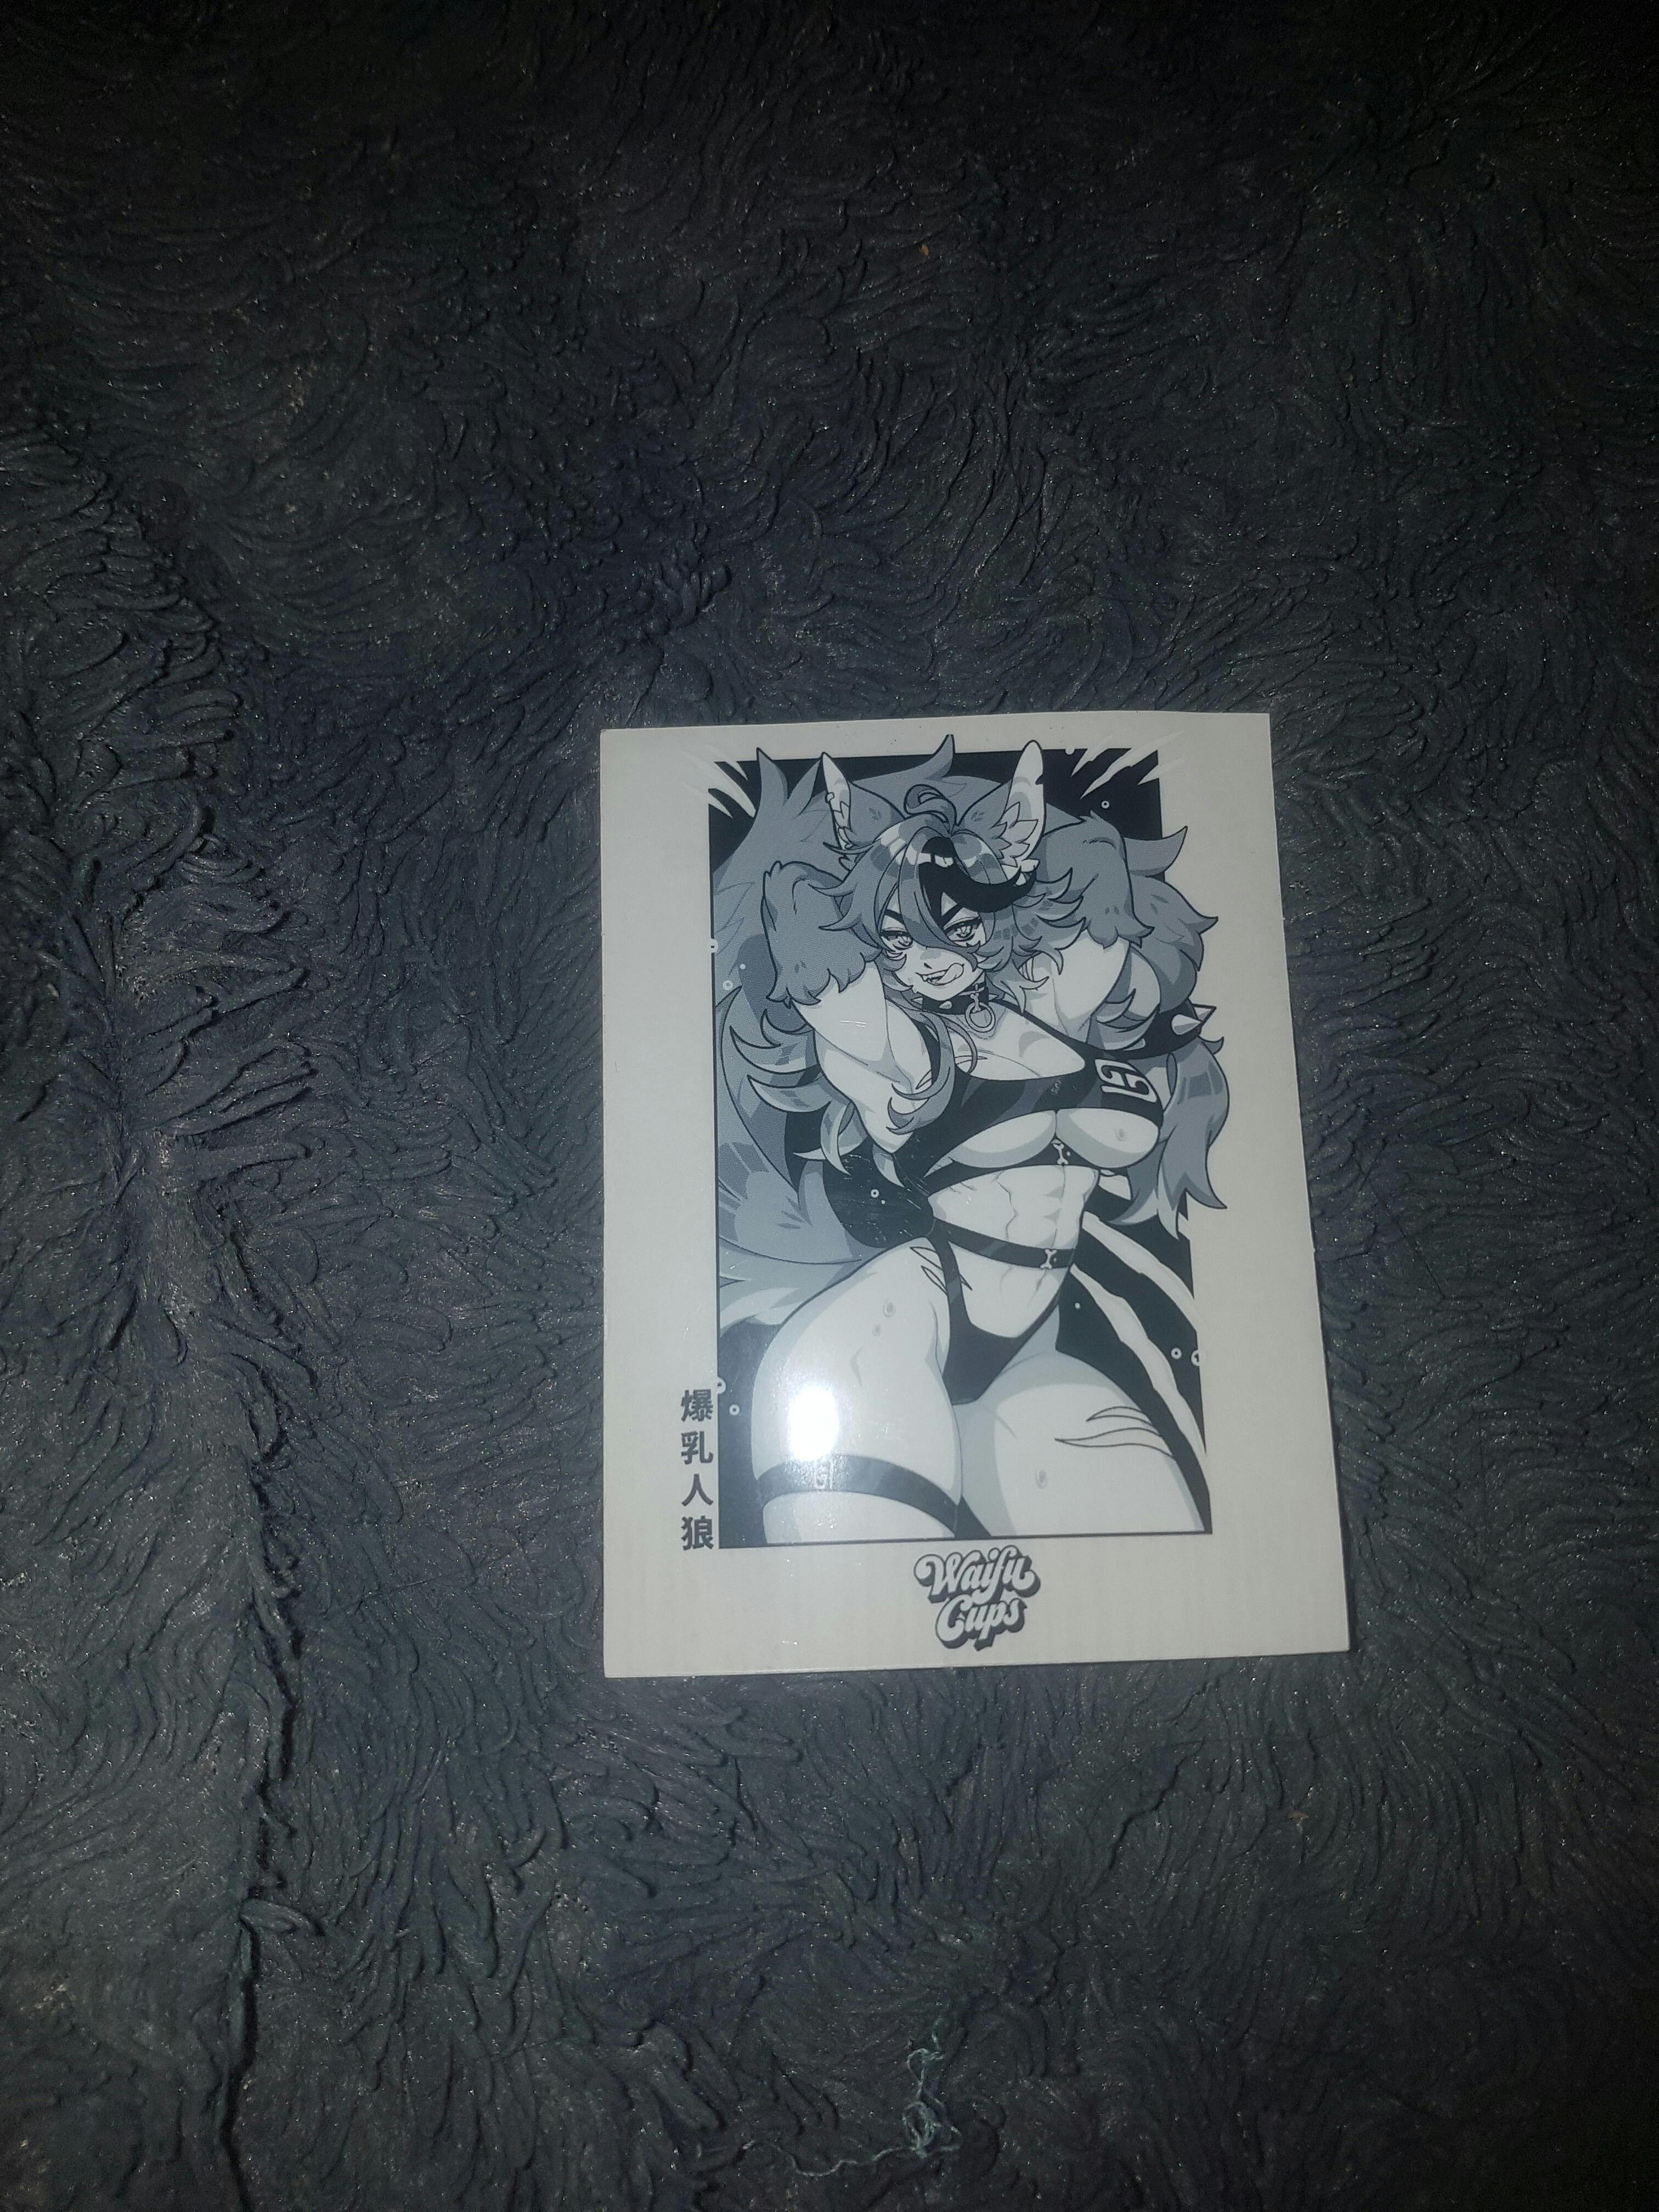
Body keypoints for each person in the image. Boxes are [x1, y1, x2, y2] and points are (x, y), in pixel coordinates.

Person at [713, 737, 1228, 1544]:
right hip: (887, 1333)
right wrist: (848, 881)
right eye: (898, 940)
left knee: (1162, 1562)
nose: (927, 961)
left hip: (1034, 1352)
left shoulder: (1054, 1008)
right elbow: (824, 974)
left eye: (953, 929)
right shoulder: (903, 1046)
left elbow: (1102, 896)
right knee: (866, 1598)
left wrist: (1020, 847)